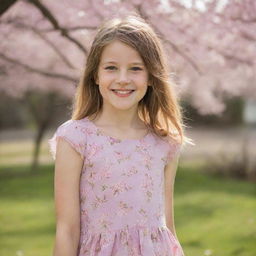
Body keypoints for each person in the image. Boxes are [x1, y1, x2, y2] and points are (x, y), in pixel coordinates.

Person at [49, 13, 192, 256]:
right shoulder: (75, 138)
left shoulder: (165, 142)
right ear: (96, 75)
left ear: (150, 77)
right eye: (111, 68)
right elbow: (67, 230)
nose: (123, 79)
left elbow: (167, 226)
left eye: (135, 68)